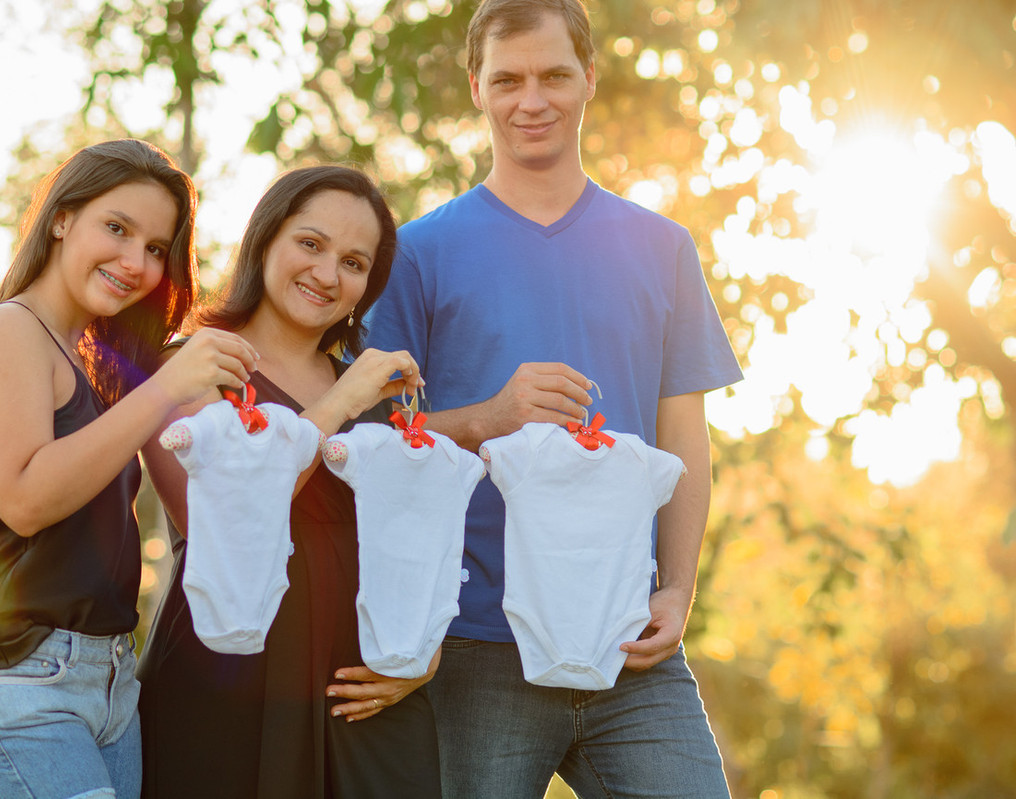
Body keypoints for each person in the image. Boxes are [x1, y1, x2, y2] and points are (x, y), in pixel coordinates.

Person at [364, 1, 744, 796]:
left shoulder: (663, 248)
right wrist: (486, 418)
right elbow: (377, 440)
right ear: (476, 87)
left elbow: (684, 439)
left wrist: (677, 588)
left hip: (630, 640)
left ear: (589, 79)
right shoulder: (419, 254)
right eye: (506, 79)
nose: (529, 99)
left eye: (552, 76)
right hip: (475, 647)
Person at [0, 139, 257, 799]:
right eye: (118, 228)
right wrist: (164, 388)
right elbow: (26, 498)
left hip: (106, 682)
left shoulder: (94, 365)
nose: (136, 261)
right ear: (62, 217)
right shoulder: (5, 332)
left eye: (156, 248)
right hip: (9, 680)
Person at [136, 165, 442, 798]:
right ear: (266, 240)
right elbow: (223, 518)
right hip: (231, 674)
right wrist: (338, 408)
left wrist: (424, 654)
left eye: (355, 263)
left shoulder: (374, 391)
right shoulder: (190, 366)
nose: (328, 275)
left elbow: (417, 533)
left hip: (363, 689)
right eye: (311, 243)